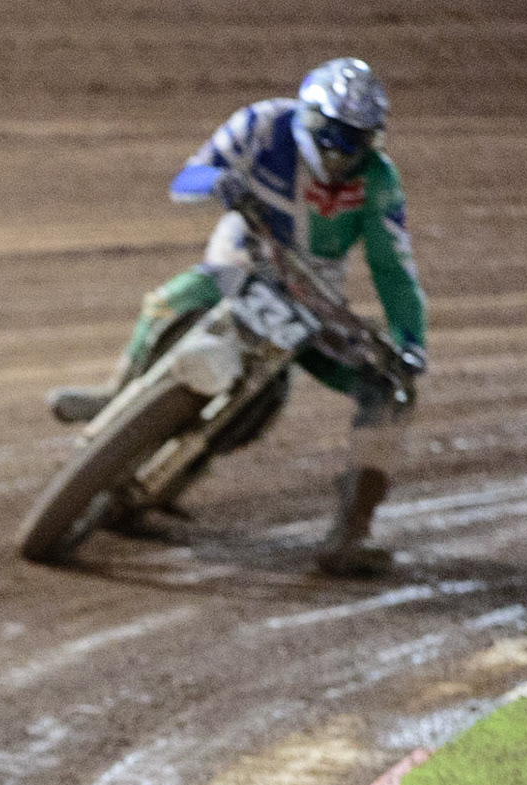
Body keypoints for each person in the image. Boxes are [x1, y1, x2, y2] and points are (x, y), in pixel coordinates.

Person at [46, 58, 429, 576]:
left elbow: (393, 268)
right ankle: (118, 392)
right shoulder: (261, 124)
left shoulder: (379, 180)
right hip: (242, 262)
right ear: (309, 115)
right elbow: (186, 179)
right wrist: (218, 181)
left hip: (315, 298)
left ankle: (352, 531)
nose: (342, 151)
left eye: (357, 139)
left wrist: (411, 343)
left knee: (388, 390)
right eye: (333, 134)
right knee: (166, 303)